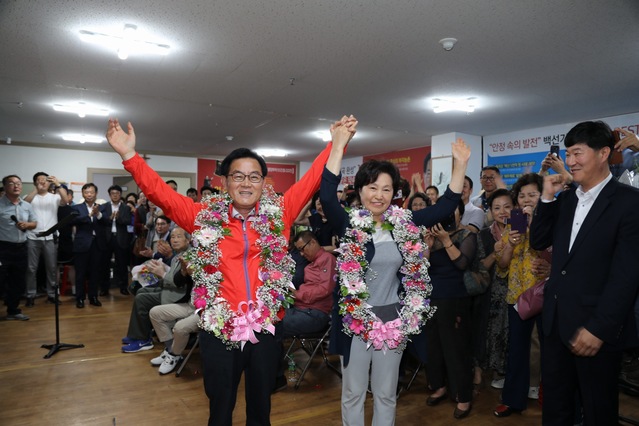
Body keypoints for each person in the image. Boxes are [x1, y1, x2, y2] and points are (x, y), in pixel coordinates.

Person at [106, 115, 356, 426]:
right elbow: (161, 195)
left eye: (254, 177)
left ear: (265, 184)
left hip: (265, 329)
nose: (246, 183)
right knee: (220, 409)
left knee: (260, 409)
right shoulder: (202, 217)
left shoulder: (280, 214)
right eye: (238, 176)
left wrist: (336, 142)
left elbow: (312, 179)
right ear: (224, 182)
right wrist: (130, 156)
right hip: (219, 330)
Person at [320, 136, 471, 425]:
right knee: (353, 392)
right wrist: (338, 147)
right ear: (361, 190)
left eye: (386, 189)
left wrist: (460, 165)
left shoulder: (404, 223)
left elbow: (444, 207)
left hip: (392, 320)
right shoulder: (349, 224)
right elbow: (327, 196)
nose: (379, 195)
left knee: (386, 393)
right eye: (372, 187)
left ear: (394, 193)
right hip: (355, 322)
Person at [529, 121, 639, 425]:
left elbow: (627, 275)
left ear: (603, 153)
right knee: (555, 408)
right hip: (554, 324)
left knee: (598, 410)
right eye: (568, 154)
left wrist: (600, 328)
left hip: (596, 330)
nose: (571, 162)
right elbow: (538, 241)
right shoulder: (564, 201)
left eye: (577, 153)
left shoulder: (629, 203)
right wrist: (547, 198)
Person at [493, 173, 551, 418]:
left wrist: (532, 228)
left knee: (550, 349)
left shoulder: (551, 222)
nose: (527, 199)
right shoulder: (511, 226)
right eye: (522, 195)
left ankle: (549, 395)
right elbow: (503, 265)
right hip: (517, 296)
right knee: (517, 349)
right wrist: (510, 245)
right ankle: (513, 399)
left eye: (533, 195)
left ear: (543, 196)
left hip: (546, 294)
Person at [422, 199, 477, 419]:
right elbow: (423, 268)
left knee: (456, 349)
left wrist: (446, 241)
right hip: (431, 298)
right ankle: (439, 386)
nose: (446, 216)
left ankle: (463, 396)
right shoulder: (431, 238)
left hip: (454, 298)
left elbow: (462, 263)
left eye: (451, 212)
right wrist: (426, 247)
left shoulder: (467, 235)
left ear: (460, 215)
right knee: (433, 347)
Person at [122, 227, 191, 353]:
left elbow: (178, 283)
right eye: (173, 237)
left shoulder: (188, 256)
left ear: (188, 240)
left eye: (178, 237)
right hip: (170, 289)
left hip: (178, 295)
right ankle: (137, 334)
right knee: (141, 290)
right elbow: (170, 278)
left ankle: (143, 340)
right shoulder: (178, 255)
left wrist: (161, 273)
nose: (174, 240)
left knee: (142, 298)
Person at [23, 172, 68, 306]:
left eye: (45, 180)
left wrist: (58, 184)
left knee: (52, 268)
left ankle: (52, 294)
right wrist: (37, 190)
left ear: (49, 183)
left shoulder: (54, 197)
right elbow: (24, 205)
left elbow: (66, 201)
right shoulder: (28, 197)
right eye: (39, 180)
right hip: (33, 237)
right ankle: (30, 295)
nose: (42, 182)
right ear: (35, 183)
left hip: (51, 237)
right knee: (31, 268)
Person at [280, 231, 336, 337]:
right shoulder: (311, 263)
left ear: (313, 242)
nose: (301, 253)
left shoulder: (327, 258)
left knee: (274, 322)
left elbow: (325, 289)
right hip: (301, 310)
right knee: (269, 319)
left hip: (315, 314)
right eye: (299, 250)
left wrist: (297, 294)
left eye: (302, 249)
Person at [0, 175, 37, 320]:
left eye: (18, 183)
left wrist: (27, 225)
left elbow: (34, 223)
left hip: (22, 247)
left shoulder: (27, 205)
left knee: (18, 281)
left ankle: (13, 310)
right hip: (3, 247)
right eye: (12, 183)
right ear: (5, 187)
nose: (16, 186)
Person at [71, 183, 108, 309]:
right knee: (80, 273)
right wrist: (89, 216)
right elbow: (74, 220)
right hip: (82, 244)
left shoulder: (102, 208)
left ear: (96, 194)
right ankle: (80, 298)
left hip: (97, 244)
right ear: (82, 194)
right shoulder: (77, 207)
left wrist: (98, 214)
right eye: (86, 192)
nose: (89, 194)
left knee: (95, 272)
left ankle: (93, 297)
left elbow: (107, 221)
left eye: (91, 192)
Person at [101, 184, 133, 296]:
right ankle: (104, 288)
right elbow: (102, 221)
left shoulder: (126, 207)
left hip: (121, 239)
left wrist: (118, 218)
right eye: (113, 193)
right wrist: (110, 218)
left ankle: (123, 287)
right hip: (107, 239)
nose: (115, 195)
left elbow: (128, 221)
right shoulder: (103, 207)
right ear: (109, 195)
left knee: (122, 265)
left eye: (117, 193)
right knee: (105, 264)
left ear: (120, 195)